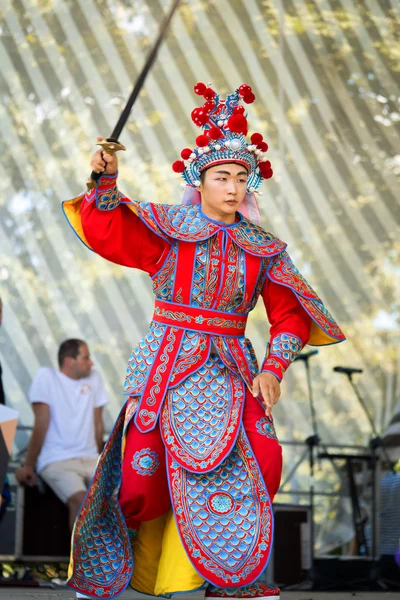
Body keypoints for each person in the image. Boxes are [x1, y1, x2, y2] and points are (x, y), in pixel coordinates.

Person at [62, 82, 345, 600]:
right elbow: (112, 230)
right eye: (222, 177)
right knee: (142, 479)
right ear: (200, 180)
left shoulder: (265, 249)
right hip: (168, 367)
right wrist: (106, 182)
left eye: (241, 177)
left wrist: (273, 369)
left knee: (262, 460)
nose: (233, 187)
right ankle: (125, 573)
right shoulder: (170, 227)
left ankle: (225, 579)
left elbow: (291, 317)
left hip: (234, 372)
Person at [16, 339, 109, 531]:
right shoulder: (46, 377)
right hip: (57, 460)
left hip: (92, 459)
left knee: (119, 501)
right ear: (69, 361)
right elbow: (41, 423)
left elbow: (98, 425)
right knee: (81, 501)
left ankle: (115, 559)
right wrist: (29, 465)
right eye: (86, 357)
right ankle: (81, 561)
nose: (91, 363)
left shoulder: (94, 378)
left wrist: (102, 461)